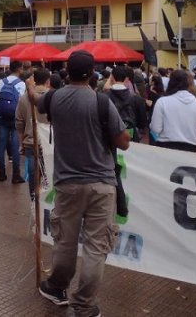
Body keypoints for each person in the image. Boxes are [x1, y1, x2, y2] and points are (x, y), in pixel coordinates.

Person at [37, 50, 129, 314]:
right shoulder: (101, 102)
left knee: (65, 241)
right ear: (92, 74)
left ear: (66, 69)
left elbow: (37, 101)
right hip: (102, 184)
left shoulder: (54, 98)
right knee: (95, 247)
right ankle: (84, 306)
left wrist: (32, 90)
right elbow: (124, 141)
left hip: (67, 184)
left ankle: (57, 287)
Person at [15, 68, 50, 200]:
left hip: (30, 142)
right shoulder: (54, 96)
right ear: (48, 81)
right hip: (49, 143)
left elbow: (19, 123)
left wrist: (20, 143)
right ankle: (47, 203)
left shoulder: (24, 98)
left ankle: (34, 201)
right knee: (49, 174)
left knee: (33, 173)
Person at [150, 69, 196, 152]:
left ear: (170, 82)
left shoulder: (162, 102)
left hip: (165, 147)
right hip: (190, 148)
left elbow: (155, 129)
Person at [0, 60, 26, 183]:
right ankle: (16, 175)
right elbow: (22, 101)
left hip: (2, 117)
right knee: (15, 145)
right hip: (15, 117)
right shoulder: (21, 84)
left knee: (1, 144)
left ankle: (2, 173)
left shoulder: (1, 81)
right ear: (19, 69)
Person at [105, 65, 148, 143]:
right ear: (127, 79)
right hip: (130, 138)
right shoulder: (137, 98)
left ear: (112, 78)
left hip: (109, 139)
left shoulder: (103, 97)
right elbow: (142, 123)